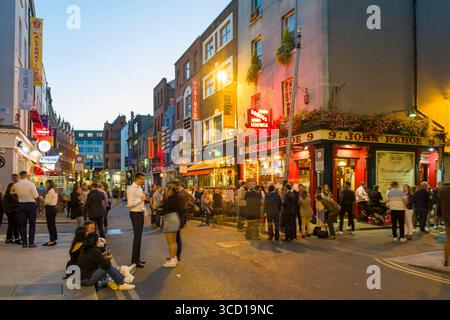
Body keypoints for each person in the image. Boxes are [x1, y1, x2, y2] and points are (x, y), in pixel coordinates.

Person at [126, 173, 147, 268]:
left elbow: (142, 201)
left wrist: (144, 212)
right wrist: (140, 199)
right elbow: (130, 204)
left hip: (140, 213)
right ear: (137, 179)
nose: (143, 181)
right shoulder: (131, 189)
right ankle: (134, 260)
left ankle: (137, 259)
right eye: (142, 179)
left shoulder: (139, 188)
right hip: (135, 214)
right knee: (137, 237)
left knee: (139, 237)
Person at [15, 171, 39, 248]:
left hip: (21, 205)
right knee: (32, 224)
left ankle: (24, 242)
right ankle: (31, 242)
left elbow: (14, 193)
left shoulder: (16, 185)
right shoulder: (31, 184)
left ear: (20, 176)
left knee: (22, 224)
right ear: (26, 176)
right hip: (30, 205)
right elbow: (36, 196)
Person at [161, 183, 182, 268]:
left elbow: (164, 208)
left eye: (166, 189)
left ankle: (173, 260)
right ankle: (174, 258)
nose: (165, 190)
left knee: (170, 242)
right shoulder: (176, 197)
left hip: (170, 219)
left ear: (170, 190)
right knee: (173, 241)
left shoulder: (170, 199)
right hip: (174, 218)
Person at [437, 183, 450, 266]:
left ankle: (446, 258)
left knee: (449, 237)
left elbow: (439, 203)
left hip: (447, 218)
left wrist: (439, 215)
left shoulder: (443, 189)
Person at [43, 180, 58, 247]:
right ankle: (53, 238)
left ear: (49, 184)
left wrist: (41, 199)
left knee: (50, 225)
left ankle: (52, 240)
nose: (45, 185)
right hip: (53, 208)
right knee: (52, 224)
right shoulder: (54, 190)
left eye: (46, 184)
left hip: (50, 208)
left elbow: (48, 201)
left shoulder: (51, 191)